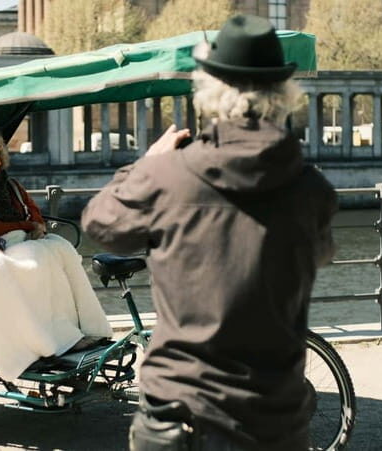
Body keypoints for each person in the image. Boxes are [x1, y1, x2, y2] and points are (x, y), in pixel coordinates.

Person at [81, 15, 338, 450]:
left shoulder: (168, 177)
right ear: (283, 96)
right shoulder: (312, 190)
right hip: (275, 422)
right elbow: (319, 254)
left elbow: (100, 224)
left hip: (182, 414)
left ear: (210, 93)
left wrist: (147, 163)